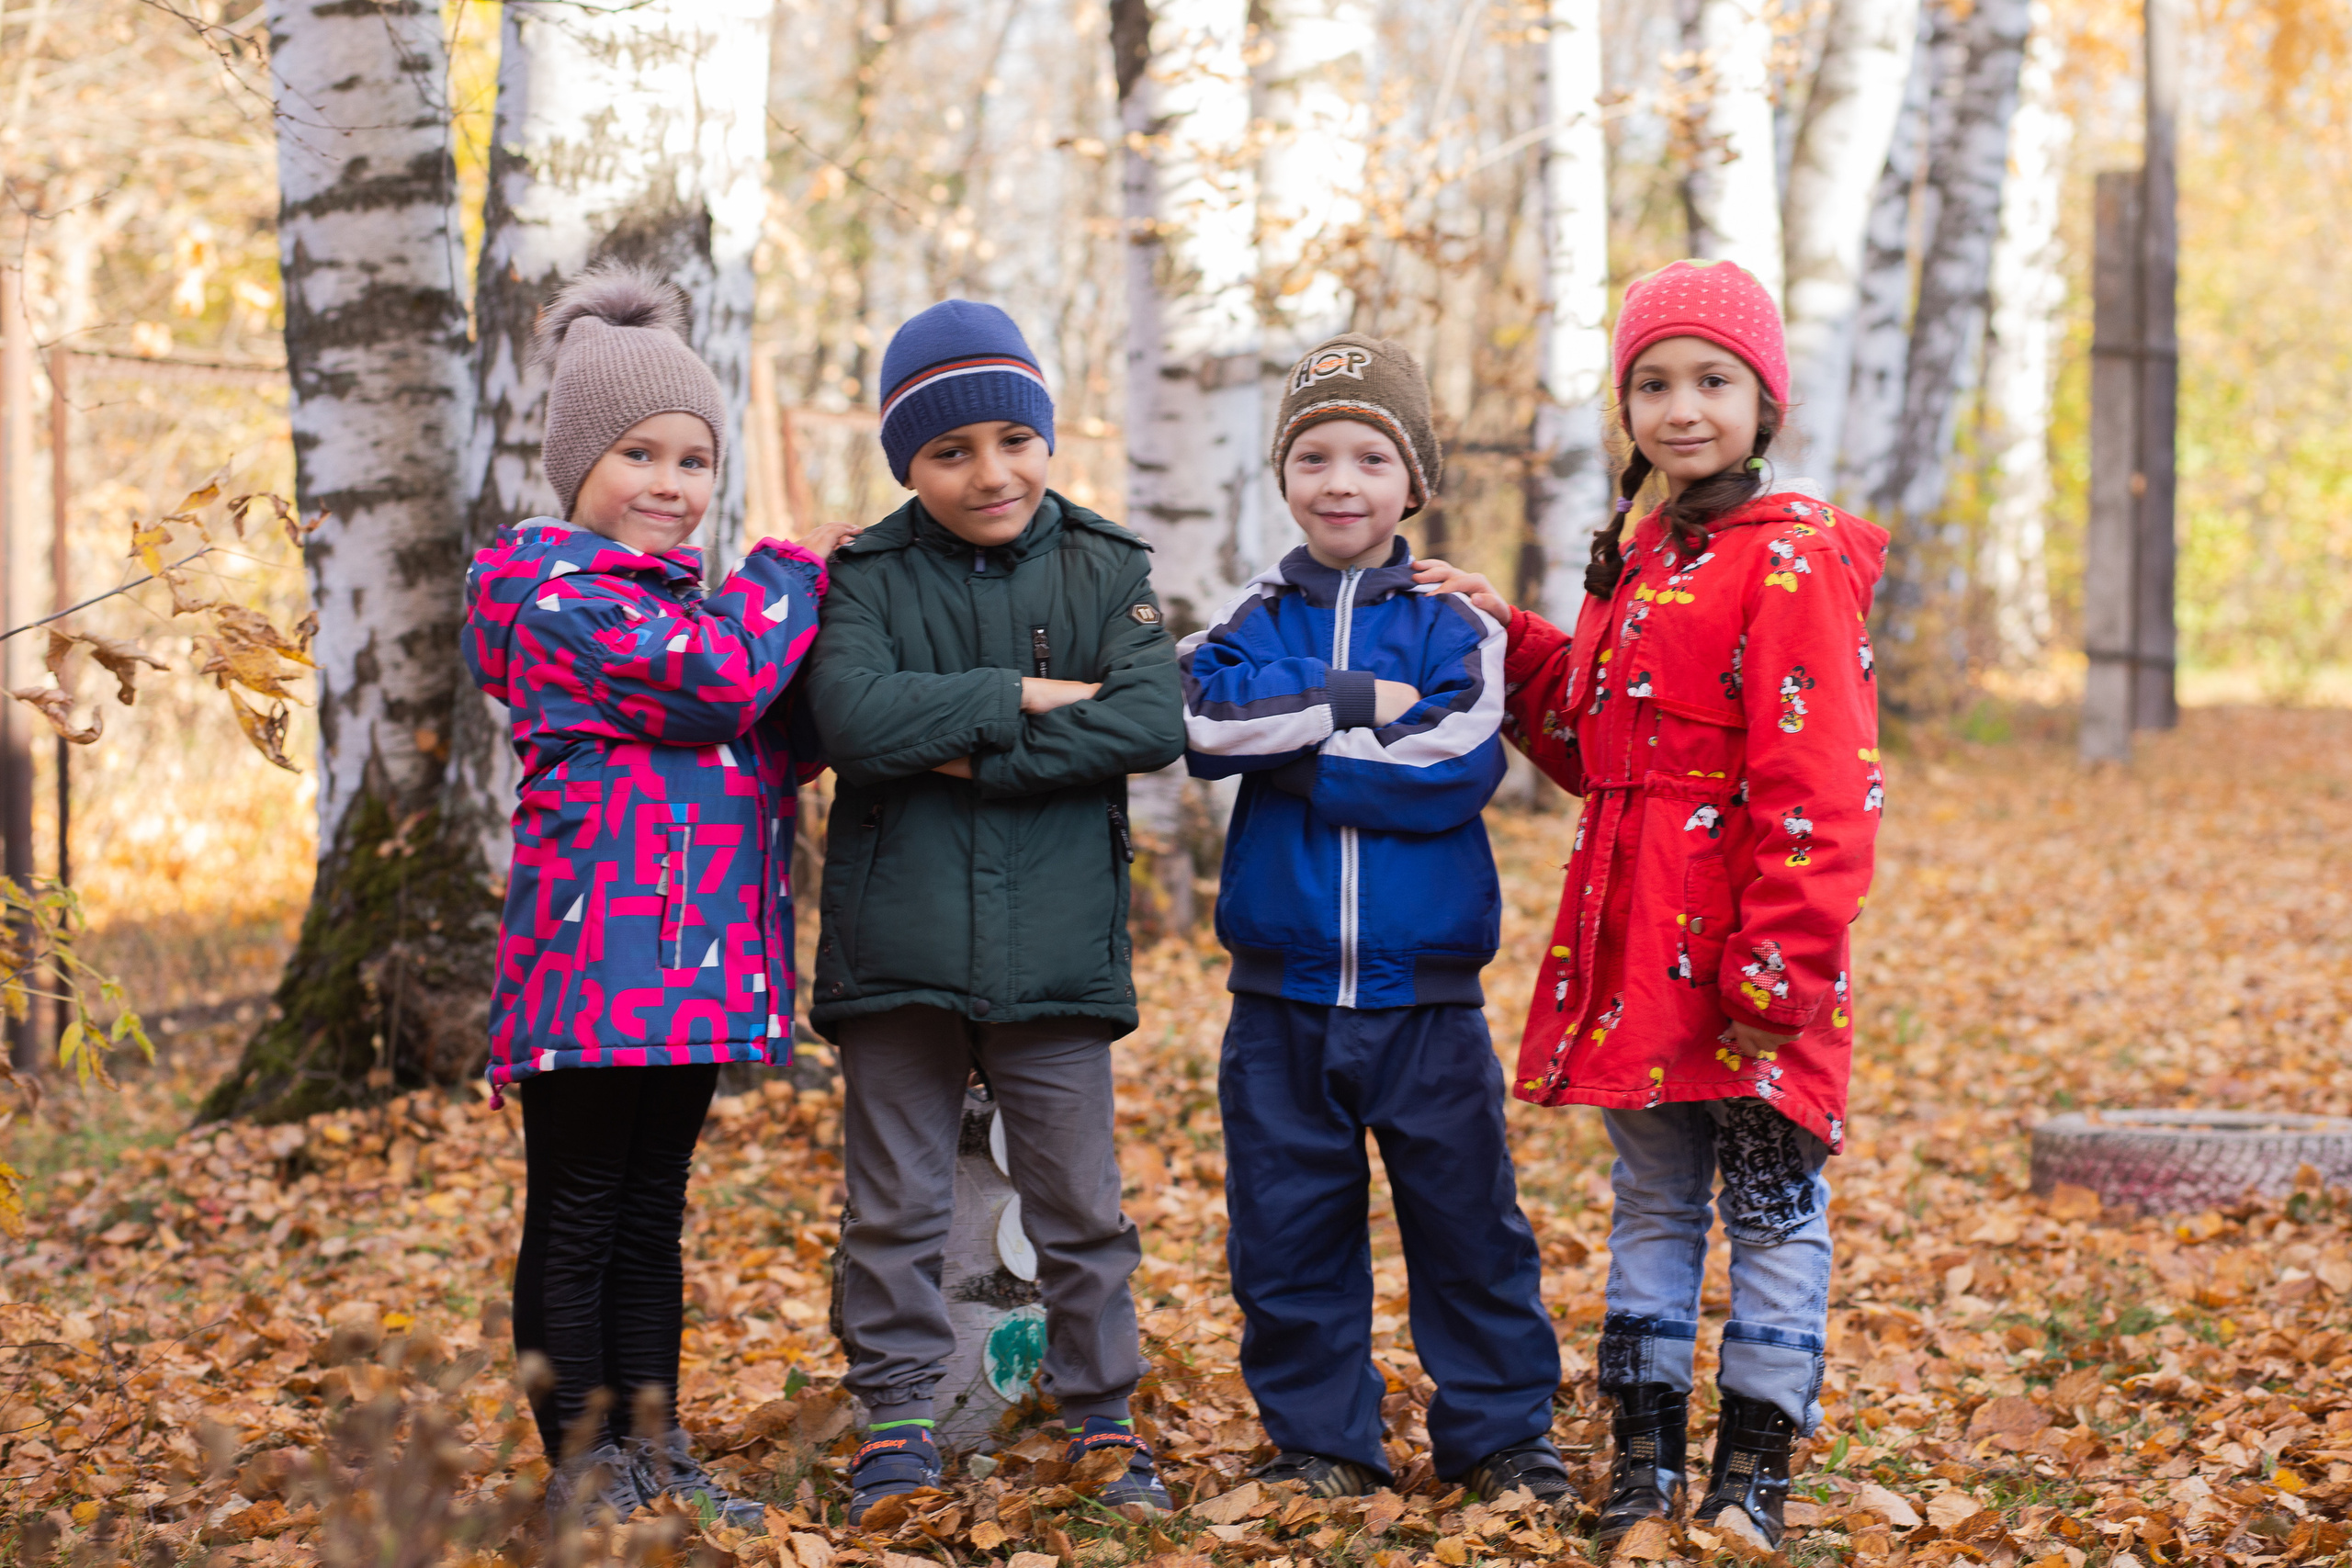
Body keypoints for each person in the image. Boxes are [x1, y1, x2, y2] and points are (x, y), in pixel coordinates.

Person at [1414, 260, 1887, 1549]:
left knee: (1771, 1198)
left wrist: (1783, 958)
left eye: (1712, 380)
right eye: (1653, 382)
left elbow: (1827, 780)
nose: (1682, 407)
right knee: (1659, 1200)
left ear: (1763, 398)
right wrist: (1508, 635)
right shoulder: (1639, 553)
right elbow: (1595, 743)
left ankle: (1756, 1464)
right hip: (1639, 951)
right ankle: (1644, 1456)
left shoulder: (1789, 562)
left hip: (1745, 949)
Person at [462, 264, 847, 1527]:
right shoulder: (555, 599)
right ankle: (583, 1463)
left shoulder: (683, 604)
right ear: (579, 464)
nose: (671, 486)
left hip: (692, 969)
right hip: (590, 969)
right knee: (576, 1211)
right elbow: (726, 680)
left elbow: (765, 740)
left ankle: (655, 1442)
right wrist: (795, 569)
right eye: (639, 454)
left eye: (694, 461)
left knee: (651, 1212)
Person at [801, 299, 1186, 1521]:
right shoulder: (865, 572)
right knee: (894, 1202)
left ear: (1046, 436)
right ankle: (898, 1422)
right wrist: (1019, 693)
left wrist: (959, 749)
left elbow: (1147, 722)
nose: (989, 472)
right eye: (949, 452)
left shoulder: (1107, 565)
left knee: (1080, 1202)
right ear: (906, 463)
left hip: (1054, 948)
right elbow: (850, 721)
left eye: (1012, 440)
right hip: (896, 946)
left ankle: (1103, 1419)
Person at [1179, 334, 1570, 1506]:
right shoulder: (1251, 614)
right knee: (1287, 1234)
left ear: (1415, 483)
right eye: (1311, 456)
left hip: (1424, 999)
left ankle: (1501, 1438)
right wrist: (1355, 705)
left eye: (1367, 456)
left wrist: (1292, 751)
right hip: (1280, 995)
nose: (1337, 481)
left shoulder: (1458, 624)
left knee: (1468, 1231)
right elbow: (1196, 716)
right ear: (1282, 476)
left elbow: (1448, 763)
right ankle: (1321, 1443)